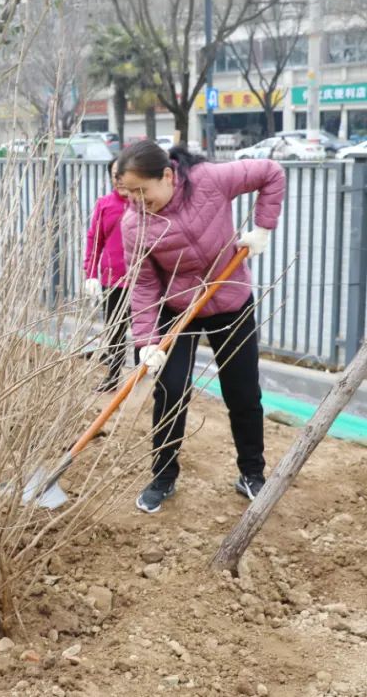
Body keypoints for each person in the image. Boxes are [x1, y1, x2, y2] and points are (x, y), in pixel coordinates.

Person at [116, 141, 284, 514]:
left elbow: (271, 173)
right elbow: (143, 285)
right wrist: (147, 341)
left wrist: (263, 229)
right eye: (131, 193)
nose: (138, 201)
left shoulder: (209, 179)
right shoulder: (135, 225)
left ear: (168, 176)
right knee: (171, 392)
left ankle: (252, 474)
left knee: (242, 392)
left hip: (230, 300)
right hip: (179, 310)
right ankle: (163, 476)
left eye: (144, 191)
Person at [83, 159, 135, 392]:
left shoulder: (144, 203)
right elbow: (95, 240)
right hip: (113, 280)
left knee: (146, 330)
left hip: (143, 280)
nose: (121, 179)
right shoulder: (105, 204)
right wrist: (91, 274)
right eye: (116, 174)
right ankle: (113, 377)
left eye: (125, 173)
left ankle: (147, 377)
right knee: (115, 329)